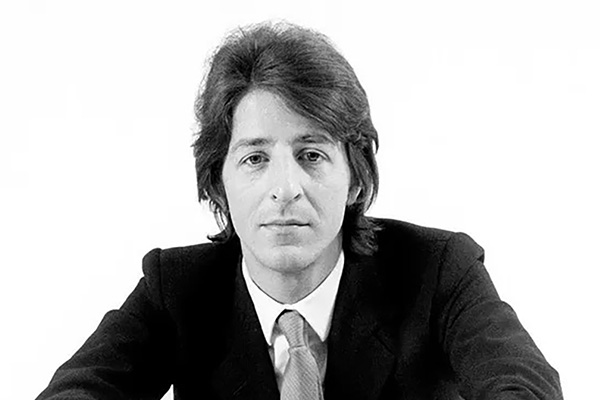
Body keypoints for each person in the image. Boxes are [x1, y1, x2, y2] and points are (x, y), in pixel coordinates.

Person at [37, 21, 562, 400]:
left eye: (311, 155)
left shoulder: (439, 270)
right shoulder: (174, 290)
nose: (285, 188)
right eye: (255, 158)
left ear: (356, 177)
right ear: (218, 181)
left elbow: (523, 386)